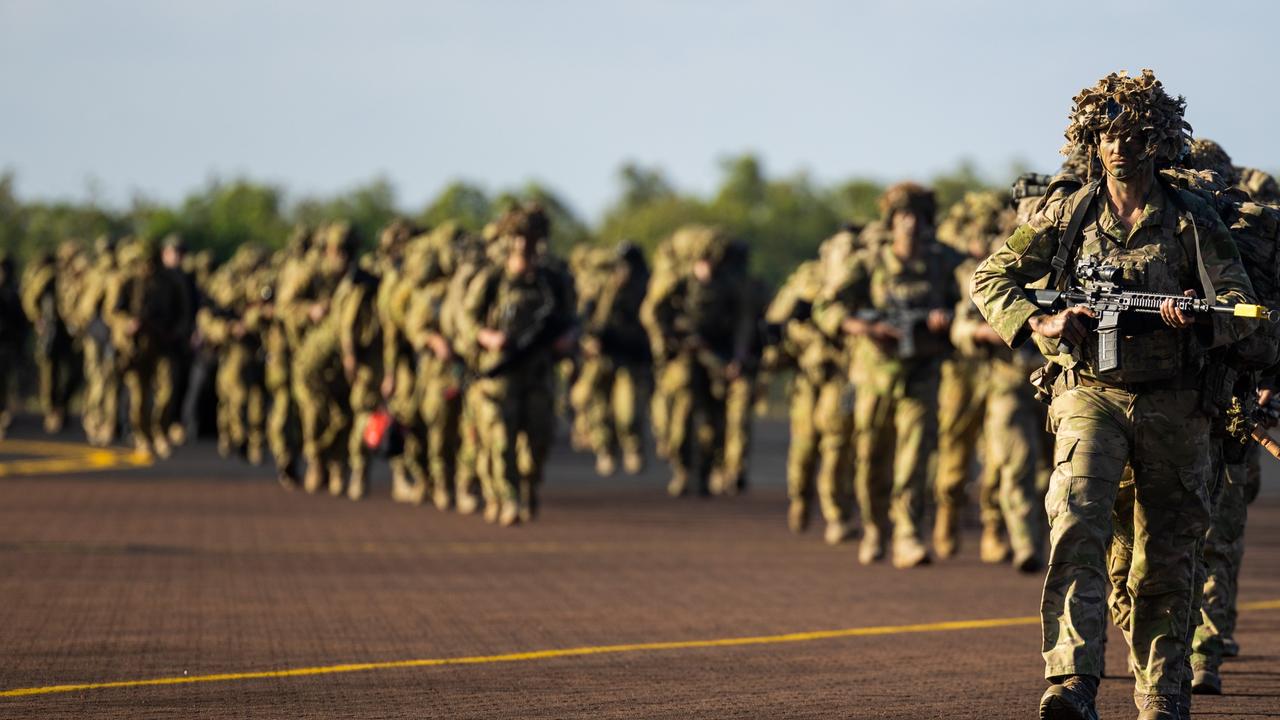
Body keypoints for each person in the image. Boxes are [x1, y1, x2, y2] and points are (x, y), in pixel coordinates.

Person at [971, 69, 1257, 720]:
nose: (1118, 148)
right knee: (1075, 522)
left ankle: (1162, 697)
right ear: (1090, 141)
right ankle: (1072, 682)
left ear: (1156, 141)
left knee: (1164, 557)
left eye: (1130, 135)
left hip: (1174, 402)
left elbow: (1243, 306)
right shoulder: (1070, 210)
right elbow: (992, 278)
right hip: (1088, 392)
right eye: (1105, 135)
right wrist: (1040, 321)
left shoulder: (1192, 220)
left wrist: (1200, 313)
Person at [814, 182, 961, 568]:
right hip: (875, 375)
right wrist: (861, 328)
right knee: (871, 456)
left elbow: (970, 298)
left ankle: (908, 535)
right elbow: (826, 307)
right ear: (891, 221)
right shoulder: (869, 263)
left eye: (916, 216)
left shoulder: (943, 261)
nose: (909, 224)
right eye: (902, 216)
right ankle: (875, 527)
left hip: (923, 372)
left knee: (915, 458)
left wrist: (945, 319)